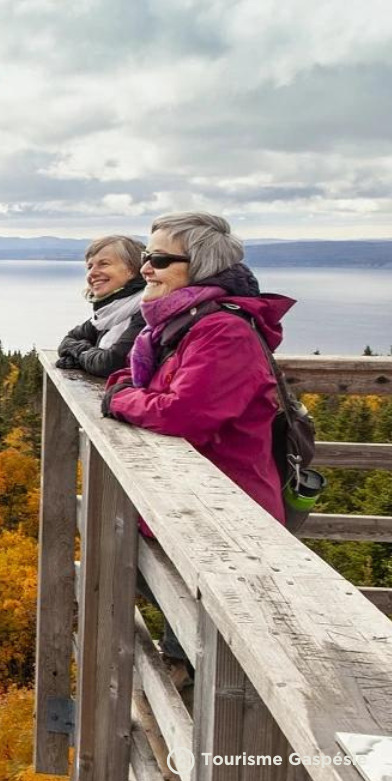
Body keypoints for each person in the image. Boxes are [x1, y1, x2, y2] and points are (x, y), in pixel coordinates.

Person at [100, 211, 294, 686]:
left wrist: (121, 399)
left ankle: (204, 746)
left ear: (201, 267)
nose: (146, 267)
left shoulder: (221, 331)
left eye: (161, 259)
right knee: (187, 625)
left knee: (221, 660)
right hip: (198, 508)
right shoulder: (182, 325)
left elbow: (183, 412)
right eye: (147, 256)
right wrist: (128, 390)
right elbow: (143, 382)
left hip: (228, 515)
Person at [55, 235, 146, 377]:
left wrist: (79, 354)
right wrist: (88, 355)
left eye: (104, 264)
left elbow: (110, 363)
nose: (92, 273)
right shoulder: (107, 314)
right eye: (89, 266)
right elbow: (67, 341)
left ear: (132, 270)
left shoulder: (146, 310)